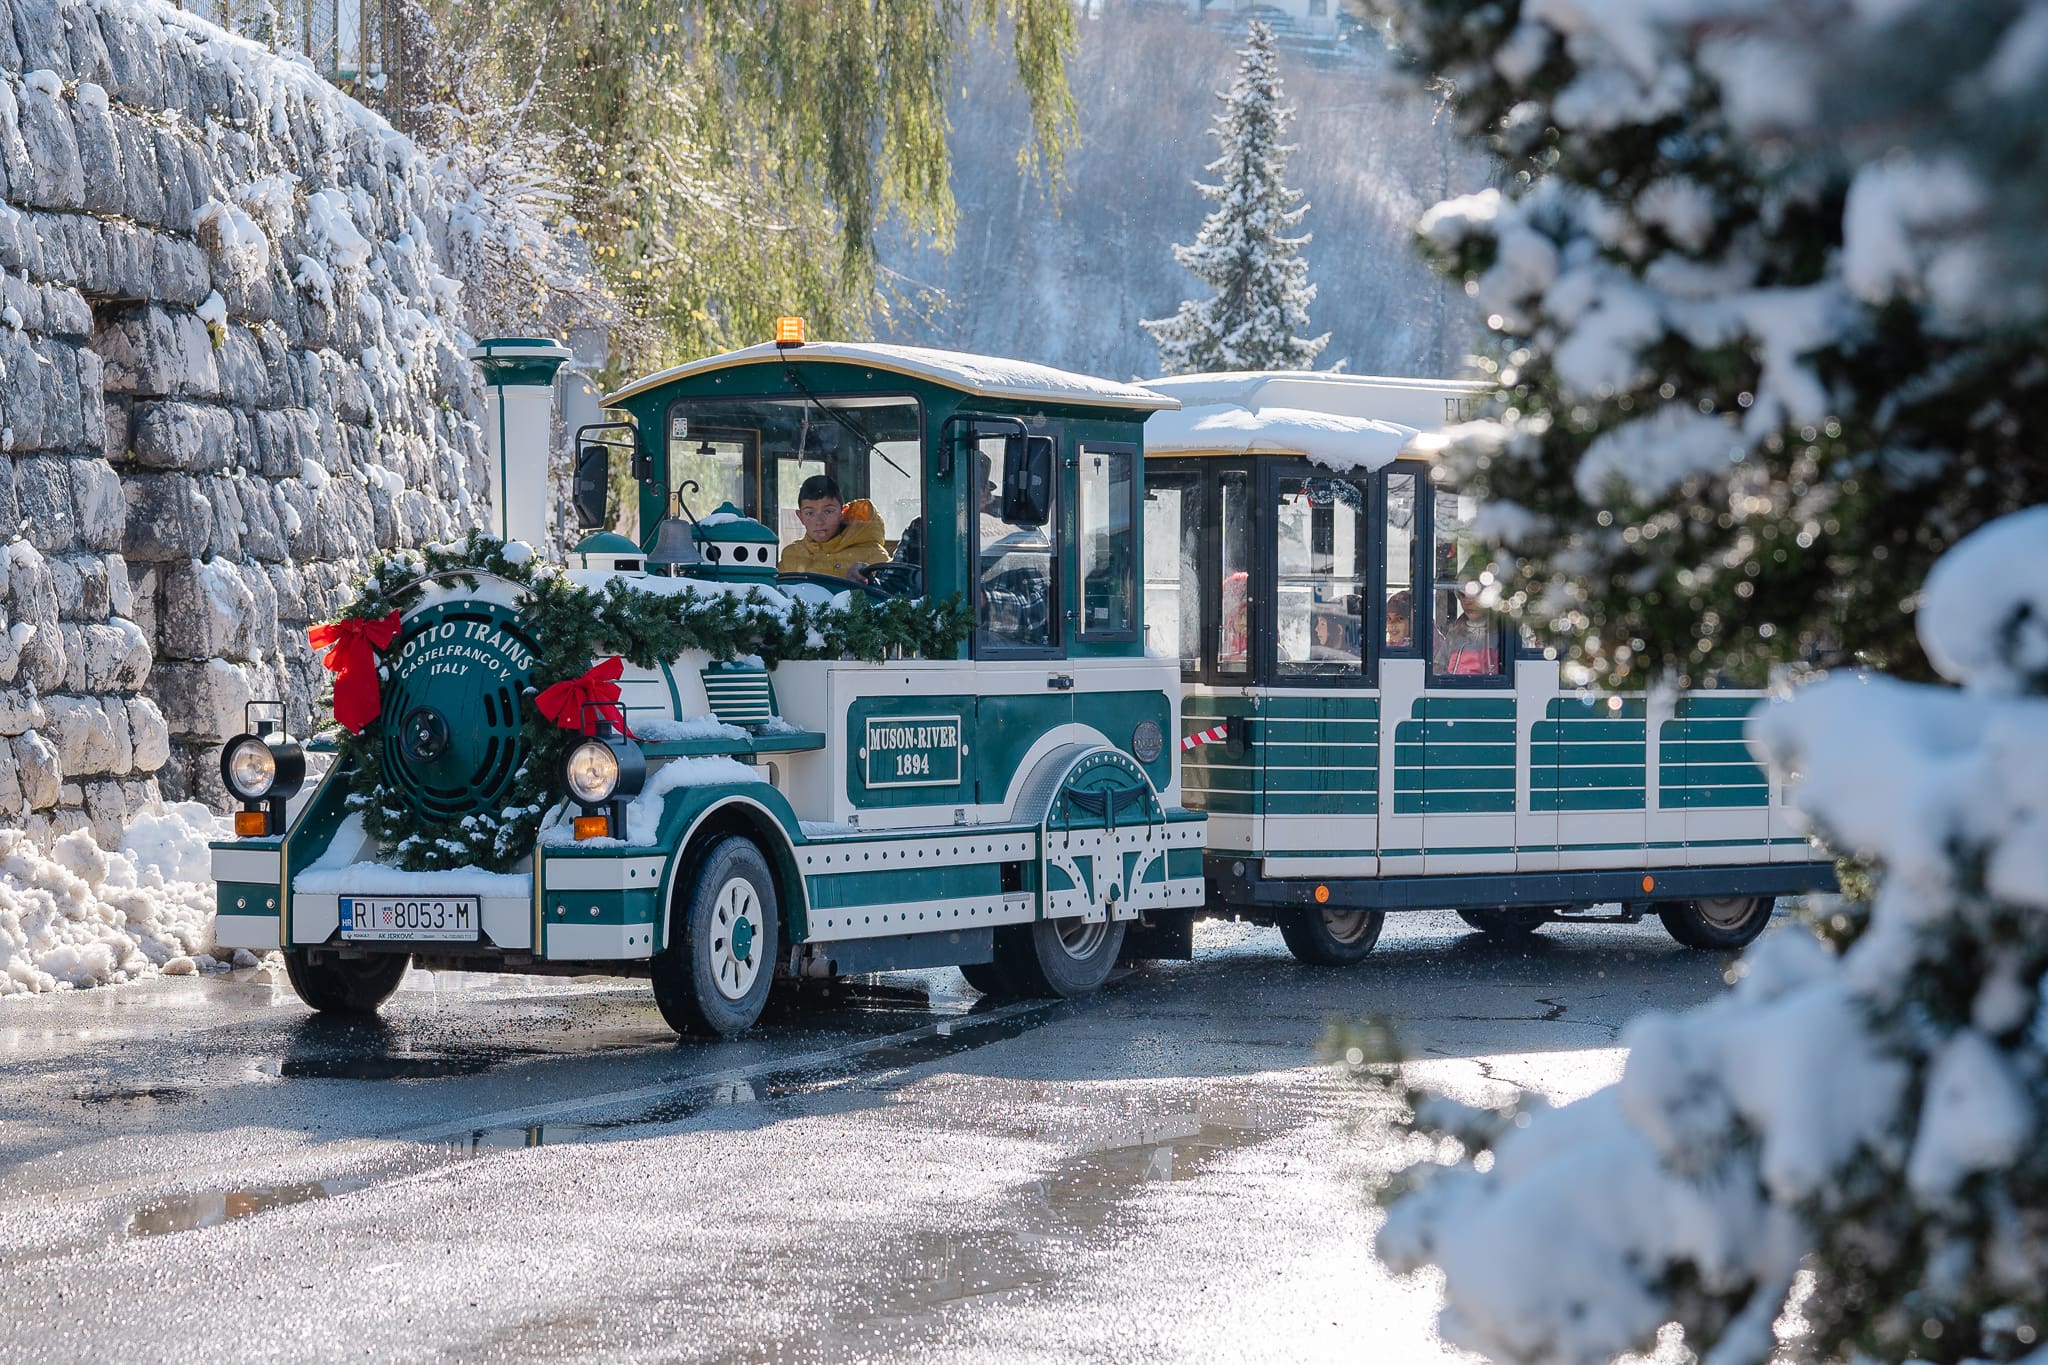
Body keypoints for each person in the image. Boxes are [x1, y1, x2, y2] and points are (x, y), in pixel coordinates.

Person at [777, 474, 887, 580]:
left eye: (828, 511)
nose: (819, 521)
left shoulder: (873, 556)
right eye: (810, 513)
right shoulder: (791, 556)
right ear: (800, 516)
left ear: (842, 513)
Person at [1437, 585, 1501, 675]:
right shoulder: (1455, 633)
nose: (1467, 601)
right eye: (1462, 596)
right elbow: (1439, 666)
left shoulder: (1503, 633)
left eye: (1473, 595)